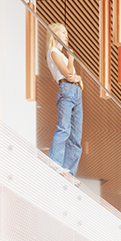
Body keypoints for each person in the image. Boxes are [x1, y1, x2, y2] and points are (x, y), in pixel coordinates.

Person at [46, 23, 83, 178]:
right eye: (63, 32)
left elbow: (79, 80)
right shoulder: (53, 51)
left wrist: (77, 77)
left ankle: (69, 173)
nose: (66, 35)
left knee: (76, 136)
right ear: (55, 34)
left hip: (75, 92)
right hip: (67, 89)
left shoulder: (61, 54)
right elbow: (68, 74)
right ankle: (54, 162)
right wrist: (72, 59)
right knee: (64, 128)